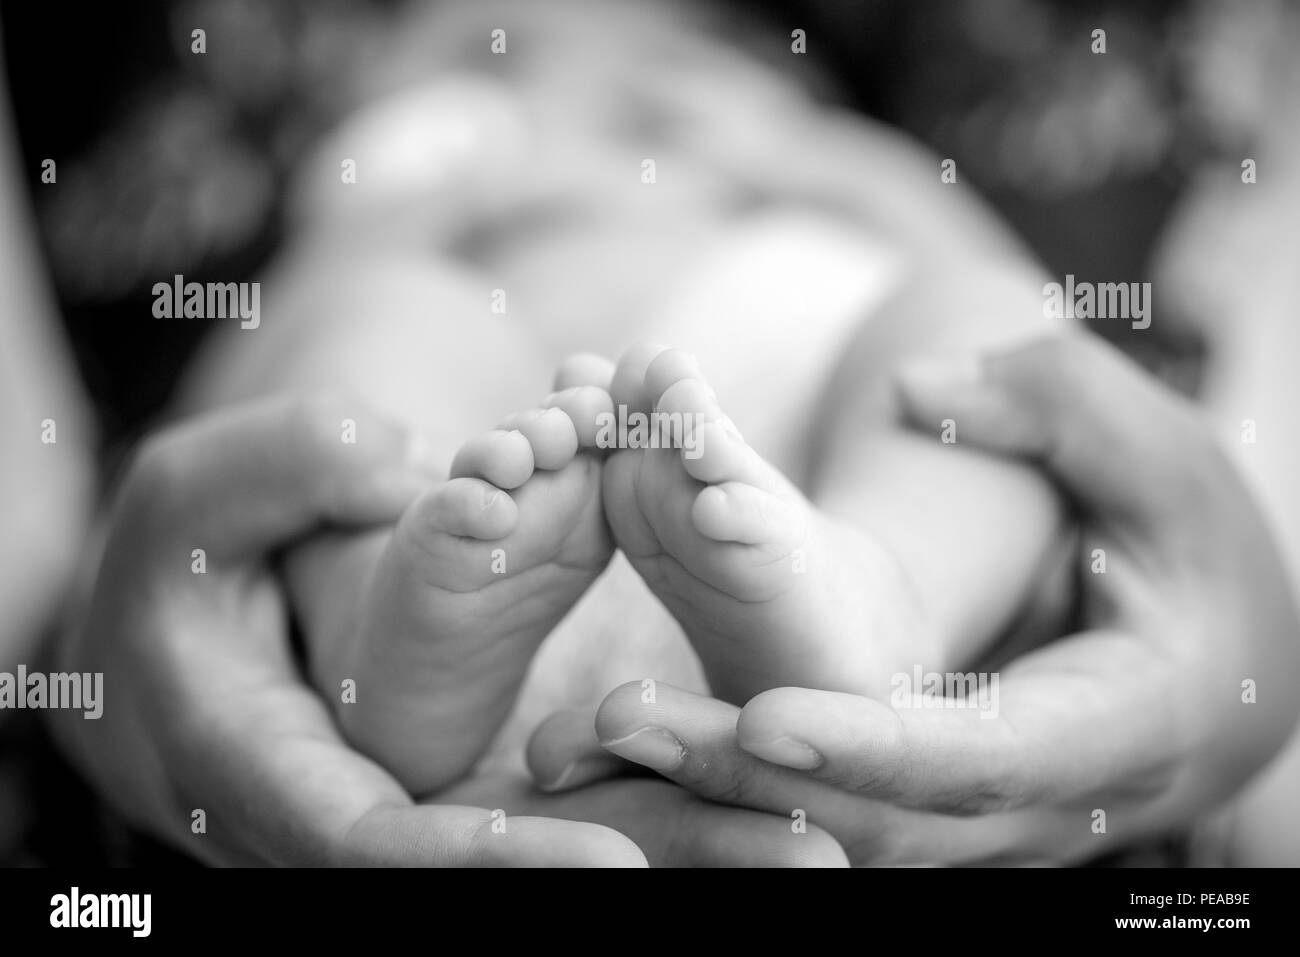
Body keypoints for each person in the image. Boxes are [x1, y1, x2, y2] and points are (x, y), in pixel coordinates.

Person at [527, 333, 1300, 864]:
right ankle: (432, 624)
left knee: (971, 314)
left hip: (793, 339)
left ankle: (886, 587)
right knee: (426, 315)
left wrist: (800, 155)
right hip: (566, 393)